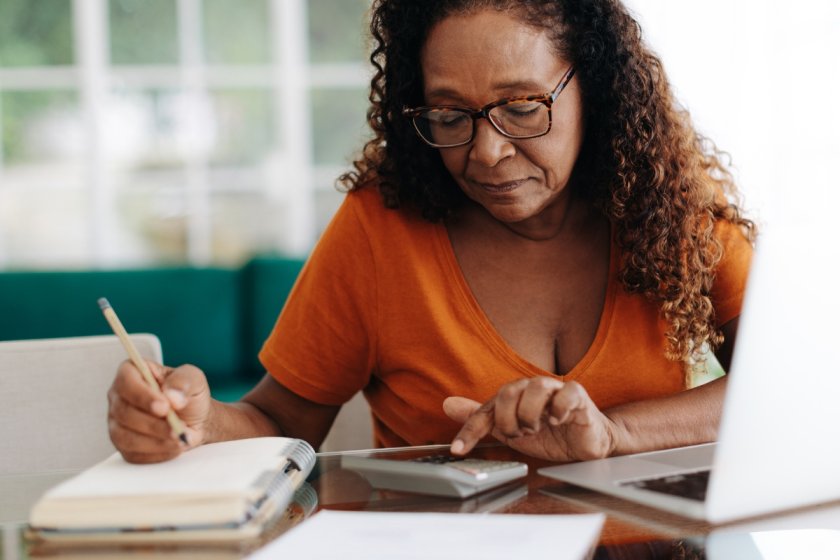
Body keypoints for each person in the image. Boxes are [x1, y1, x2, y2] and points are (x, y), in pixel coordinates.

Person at [107, 0, 755, 465]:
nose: (486, 153)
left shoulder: (669, 202)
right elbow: (278, 421)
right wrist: (195, 418)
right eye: (449, 115)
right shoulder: (379, 228)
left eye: (522, 107)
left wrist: (614, 434)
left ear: (598, 87)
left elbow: (787, 382)